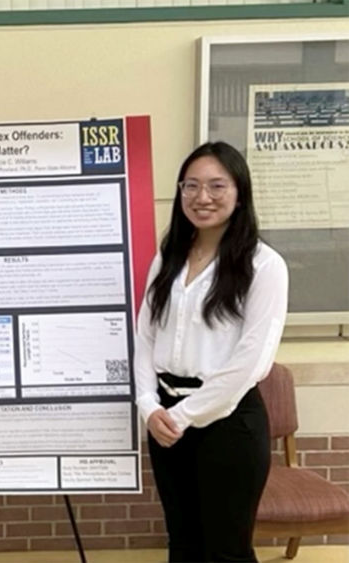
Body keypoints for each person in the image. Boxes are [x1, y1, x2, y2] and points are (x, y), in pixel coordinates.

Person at [134, 141, 288, 563]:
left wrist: (183, 416)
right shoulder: (170, 257)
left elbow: (251, 360)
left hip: (228, 423)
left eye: (217, 186)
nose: (203, 197)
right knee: (183, 543)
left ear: (240, 194)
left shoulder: (263, 265)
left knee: (226, 550)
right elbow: (145, 336)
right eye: (192, 186)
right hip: (165, 419)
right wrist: (149, 406)